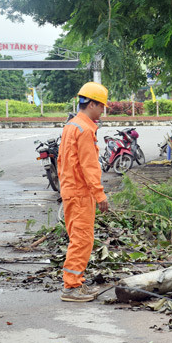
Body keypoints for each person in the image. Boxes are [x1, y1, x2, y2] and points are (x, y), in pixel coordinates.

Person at [57, 82, 109, 302]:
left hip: (71, 190)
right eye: (101, 106)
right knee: (82, 239)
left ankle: (76, 283)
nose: (102, 111)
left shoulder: (72, 125)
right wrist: (100, 195)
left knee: (77, 238)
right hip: (80, 192)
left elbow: (62, 162)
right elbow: (89, 166)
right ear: (92, 103)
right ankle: (71, 287)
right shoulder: (85, 130)